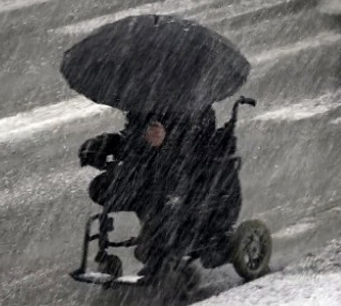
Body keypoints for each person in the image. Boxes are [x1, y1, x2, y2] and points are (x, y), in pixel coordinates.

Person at [79, 106, 241, 278]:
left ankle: (163, 254)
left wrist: (164, 141)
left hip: (185, 179)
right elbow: (130, 140)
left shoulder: (193, 107)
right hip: (150, 178)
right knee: (101, 188)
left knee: (162, 200)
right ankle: (152, 248)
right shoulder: (145, 106)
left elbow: (196, 150)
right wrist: (103, 145)